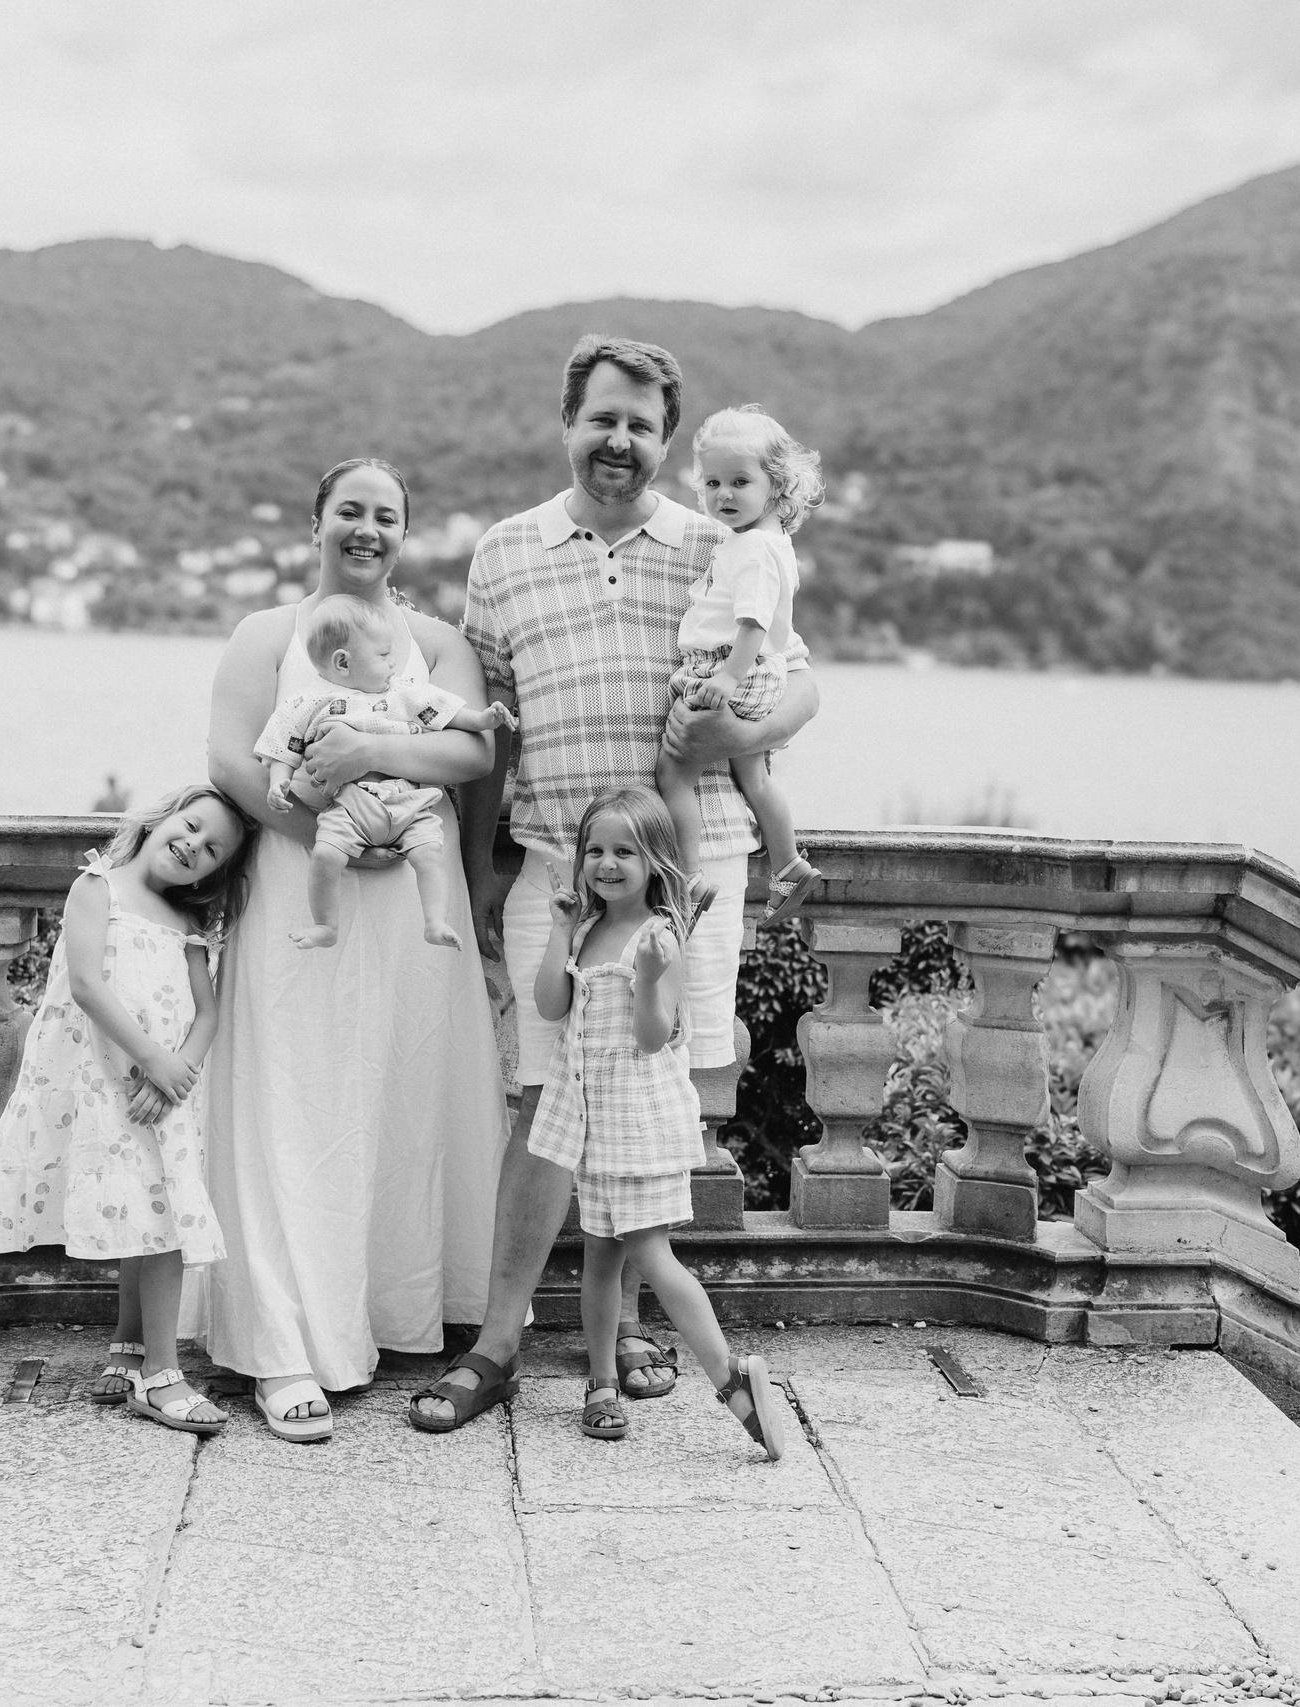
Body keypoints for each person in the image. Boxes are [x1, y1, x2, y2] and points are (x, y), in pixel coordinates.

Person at [411, 335, 822, 1432]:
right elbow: (488, 727)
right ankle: (499, 1346)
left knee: (650, 1093)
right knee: (545, 1097)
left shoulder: (718, 539)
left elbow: (798, 684)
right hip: (554, 860)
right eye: (604, 418)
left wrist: (736, 728)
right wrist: (475, 861)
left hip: (694, 862)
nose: (621, 442)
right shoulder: (503, 552)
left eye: (643, 425)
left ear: (668, 442)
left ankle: (622, 1328)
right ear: (568, 423)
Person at [198, 457, 507, 1444]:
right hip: (307, 894)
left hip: (415, 910)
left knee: (404, 1101)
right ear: (316, 521)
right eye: (349, 512)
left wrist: (372, 759)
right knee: (297, 1104)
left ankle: (387, 1313)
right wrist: (326, 836)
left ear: (404, 533)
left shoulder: (437, 643)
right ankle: (285, 1347)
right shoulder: (264, 637)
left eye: (386, 516)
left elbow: (471, 754)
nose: (366, 529)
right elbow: (228, 759)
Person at [0, 784, 253, 1436]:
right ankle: (154, 1368)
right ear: (162, 815)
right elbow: (88, 985)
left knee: (156, 1209)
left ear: (216, 871)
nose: (192, 845)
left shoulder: (188, 922)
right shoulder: (99, 886)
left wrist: (178, 1071)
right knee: (138, 1206)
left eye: (211, 850)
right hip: (110, 1077)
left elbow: (208, 1011)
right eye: (191, 825)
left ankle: (149, 1359)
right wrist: (151, 1060)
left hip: (165, 1086)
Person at [533, 788, 795, 1457]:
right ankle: (599, 1383)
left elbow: (654, 1037)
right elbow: (549, 1003)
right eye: (595, 849)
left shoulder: (659, 937)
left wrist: (649, 979)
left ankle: (731, 1380)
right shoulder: (589, 929)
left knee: (651, 1254)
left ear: (654, 861)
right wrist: (560, 929)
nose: (607, 862)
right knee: (598, 1258)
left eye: (624, 850)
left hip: (640, 1123)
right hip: (595, 1126)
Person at [257, 591, 516, 950]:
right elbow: (285, 744)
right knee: (326, 854)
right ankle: (326, 925)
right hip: (349, 806)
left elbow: (444, 711)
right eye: (382, 655)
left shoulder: (402, 693)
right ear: (343, 663)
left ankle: (435, 920)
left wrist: (484, 718)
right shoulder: (310, 703)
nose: (393, 664)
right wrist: (278, 781)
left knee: (428, 852)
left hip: (408, 801)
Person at [656, 406, 825, 928]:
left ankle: (688, 877)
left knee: (674, 770)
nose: (723, 494)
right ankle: (788, 863)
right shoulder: (772, 543)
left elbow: (752, 624)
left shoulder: (751, 548)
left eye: (739, 481)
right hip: (760, 671)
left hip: (734, 668)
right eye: (712, 482)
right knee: (752, 773)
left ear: (776, 487)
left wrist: (726, 678)